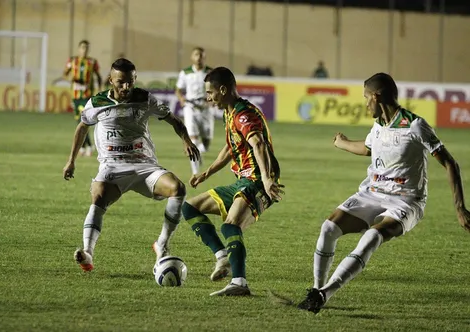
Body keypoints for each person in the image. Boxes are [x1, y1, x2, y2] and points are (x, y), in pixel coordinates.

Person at [298, 72, 470, 313]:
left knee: (370, 238)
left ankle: (326, 294)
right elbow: (369, 148)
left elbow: (450, 163)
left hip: (406, 201)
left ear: (376, 97)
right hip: (373, 193)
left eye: (366, 98)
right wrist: (342, 143)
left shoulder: (415, 125)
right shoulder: (379, 124)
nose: (365, 103)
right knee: (328, 228)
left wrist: (460, 207)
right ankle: (316, 291)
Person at [62, 58, 200, 272]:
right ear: (110, 80)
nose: (126, 87)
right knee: (98, 195)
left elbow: (174, 119)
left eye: (130, 82)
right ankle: (88, 252)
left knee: (178, 188)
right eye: (121, 82)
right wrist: (71, 160)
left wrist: (187, 140)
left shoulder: (145, 99)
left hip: (145, 166)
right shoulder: (97, 103)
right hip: (112, 167)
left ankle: (162, 244)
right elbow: (82, 128)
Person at [181, 67, 284, 296]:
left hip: (256, 182)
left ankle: (239, 282)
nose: (208, 97)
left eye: (210, 93)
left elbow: (258, 144)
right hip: (243, 181)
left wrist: (267, 180)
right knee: (189, 207)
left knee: (231, 225)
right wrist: (206, 173)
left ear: (223, 90)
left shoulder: (242, 114)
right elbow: (231, 147)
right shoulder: (230, 113)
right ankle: (222, 256)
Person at [175, 47, 214, 175]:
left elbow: (215, 89)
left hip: (205, 109)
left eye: (201, 55)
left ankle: (200, 153)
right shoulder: (185, 72)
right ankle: (195, 172)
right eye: (196, 55)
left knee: (206, 143)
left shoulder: (210, 72)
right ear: (192, 57)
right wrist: (181, 99)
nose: (199, 57)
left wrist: (212, 100)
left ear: (205, 57)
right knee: (192, 138)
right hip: (190, 108)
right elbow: (178, 89)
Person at [63, 40, 103, 157]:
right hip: (75, 96)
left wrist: (99, 89)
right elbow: (65, 74)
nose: (84, 50)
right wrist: (69, 79)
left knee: (83, 120)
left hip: (86, 95)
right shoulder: (72, 61)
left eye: (86, 48)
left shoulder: (92, 62)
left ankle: (88, 146)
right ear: (79, 49)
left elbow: (98, 76)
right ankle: (86, 146)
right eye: (82, 48)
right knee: (78, 120)